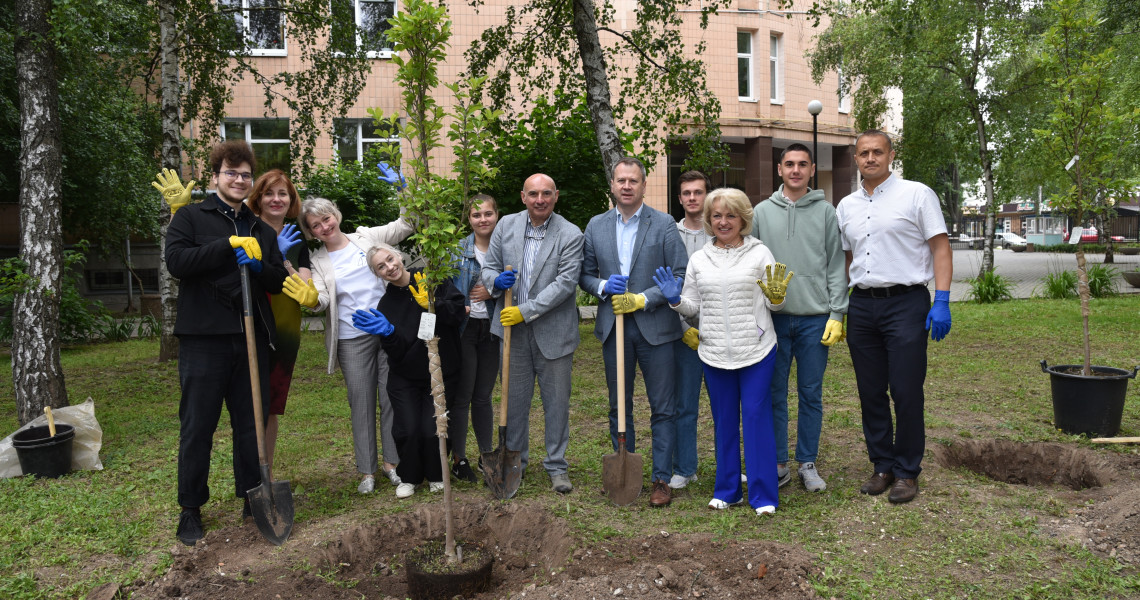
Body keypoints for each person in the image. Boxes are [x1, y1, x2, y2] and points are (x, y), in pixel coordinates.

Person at [161, 141, 287, 545]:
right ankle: (190, 509)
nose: (239, 180)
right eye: (231, 173)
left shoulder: (259, 227)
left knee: (250, 426)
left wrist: (260, 266)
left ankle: (252, 496)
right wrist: (226, 247)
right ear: (215, 177)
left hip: (251, 340)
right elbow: (177, 263)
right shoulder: (191, 218)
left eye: (245, 175)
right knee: (198, 426)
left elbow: (275, 281)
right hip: (204, 341)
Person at [654, 187, 791, 516]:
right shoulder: (700, 258)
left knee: (756, 419)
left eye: (731, 215)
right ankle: (728, 490)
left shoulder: (759, 253)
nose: (723, 221)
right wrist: (674, 299)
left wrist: (776, 297)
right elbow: (691, 306)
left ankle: (763, 495)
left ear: (743, 218)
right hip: (714, 350)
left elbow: (777, 300)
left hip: (756, 349)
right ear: (708, 220)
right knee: (724, 421)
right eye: (717, 215)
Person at [836, 129, 952, 504]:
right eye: (863, 153)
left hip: (906, 303)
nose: (870, 159)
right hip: (864, 306)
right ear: (855, 158)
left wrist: (943, 299)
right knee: (870, 392)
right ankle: (882, 465)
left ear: (890, 155)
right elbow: (848, 258)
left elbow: (940, 247)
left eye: (877, 152)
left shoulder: (916, 195)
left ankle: (906, 471)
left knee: (905, 390)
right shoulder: (846, 206)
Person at [283, 196, 413, 494]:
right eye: (315, 226)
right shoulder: (316, 260)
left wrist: (405, 194)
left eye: (326, 219)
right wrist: (311, 299)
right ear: (311, 232)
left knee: (391, 396)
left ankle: (393, 464)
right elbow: (321, 299)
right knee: (361, 403)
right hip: (351, 338)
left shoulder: (366, 237)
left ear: (336, 216)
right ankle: (367, 470)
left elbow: (405, 225)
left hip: (387, 329)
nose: (324, 227)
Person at [580, 157, 687, 507]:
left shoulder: (664, 224)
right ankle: (623, 468)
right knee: (618, 404)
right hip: (615, 328)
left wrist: (642, 299)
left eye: (633, 181)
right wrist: (603, 286)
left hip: (656, 328)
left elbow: (679, 273)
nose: (627, 186)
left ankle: (660, 478)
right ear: (611, 185)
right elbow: (585, 274)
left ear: (644, 185)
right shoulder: (595, 226)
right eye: (620, 180)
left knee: (663, 407)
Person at [751, 143, 848, 493]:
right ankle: (778, 463)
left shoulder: (826, 212)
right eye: (789, 164)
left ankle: (807, 462)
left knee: (810, 393)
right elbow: (752, 265)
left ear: (811, 169)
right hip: (773, 320)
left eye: (802, 164)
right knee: (774, 393)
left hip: (814, 319)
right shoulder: (761, 212)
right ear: (779, 170)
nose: (795, 170)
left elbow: (836, 265)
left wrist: (837, 312)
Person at [481, 173, 584, 494]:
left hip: (554, 332)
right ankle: (515, 464)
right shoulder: (506, 226)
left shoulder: (570, 234)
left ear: (556, 197)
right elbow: (490, 267)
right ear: (523, 197)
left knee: (556, 403)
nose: (540, 199)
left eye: (547, 194)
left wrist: (525, 311)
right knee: (514, 403)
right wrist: (495, 282)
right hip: (513, 336)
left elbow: (565, 285)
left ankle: (556, 466)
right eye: (533, 194)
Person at [353, 244, 466, 498]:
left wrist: (432, 303)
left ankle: (437, 474)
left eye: (390, 259)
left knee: (433, 427)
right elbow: (397, 352)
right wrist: (389, 334)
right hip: (406, 376)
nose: (389, 267)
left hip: (441, 371)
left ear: (399, 256)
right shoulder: (386, 305)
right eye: (381, 267)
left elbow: (457, 314)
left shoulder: (432, 279)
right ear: (377, 274)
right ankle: (410, 476)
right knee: (408, 428)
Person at [247, 169, 310, 474]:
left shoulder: (297, 240)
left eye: (282, 193)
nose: (276, 199)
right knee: (248, 404)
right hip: (249, 326)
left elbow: (305, 289)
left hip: (283, 331)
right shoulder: (246, 230)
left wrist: (282, 258)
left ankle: (265, 472)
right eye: (269, 193)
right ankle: (248, 470)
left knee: (270, 406)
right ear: (257, 198)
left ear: (291, 200)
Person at [450, 194, 500, 483]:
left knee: (483, 396)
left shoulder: (505, 249)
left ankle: (486, 454)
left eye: (488, 214)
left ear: (496, 215)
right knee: (463, 395)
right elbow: (444, 290)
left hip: (492, 329)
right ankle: (459, 457)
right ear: (468, 219)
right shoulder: (457, 252)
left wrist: (492, 291)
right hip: (465, 330)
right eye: (476, 215)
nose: (483, 220)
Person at [669, 170, 711, 490]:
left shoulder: (721, 231)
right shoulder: (669, 233)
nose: (693, 198)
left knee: (725, 405)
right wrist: (684, 326)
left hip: (719, 333)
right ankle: (685, 467)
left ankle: (726, 467)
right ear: (680, 197)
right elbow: (666, 285)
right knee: (684, 404)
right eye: (687, 193)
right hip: (683, 333)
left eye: (698, 192)